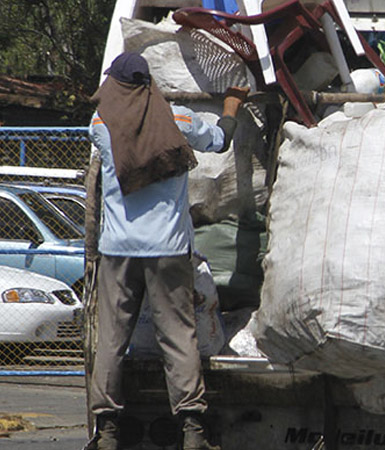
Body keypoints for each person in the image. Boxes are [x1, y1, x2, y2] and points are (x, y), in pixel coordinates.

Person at [87, 52, 248, 450]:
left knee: (111, 339)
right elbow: (220, 140)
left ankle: (106, 430)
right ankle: (193, 430)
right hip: (169, 248)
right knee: (178, 336)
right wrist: (230, 107)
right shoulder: (178, 119)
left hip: (118, 249)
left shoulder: (100, 125)